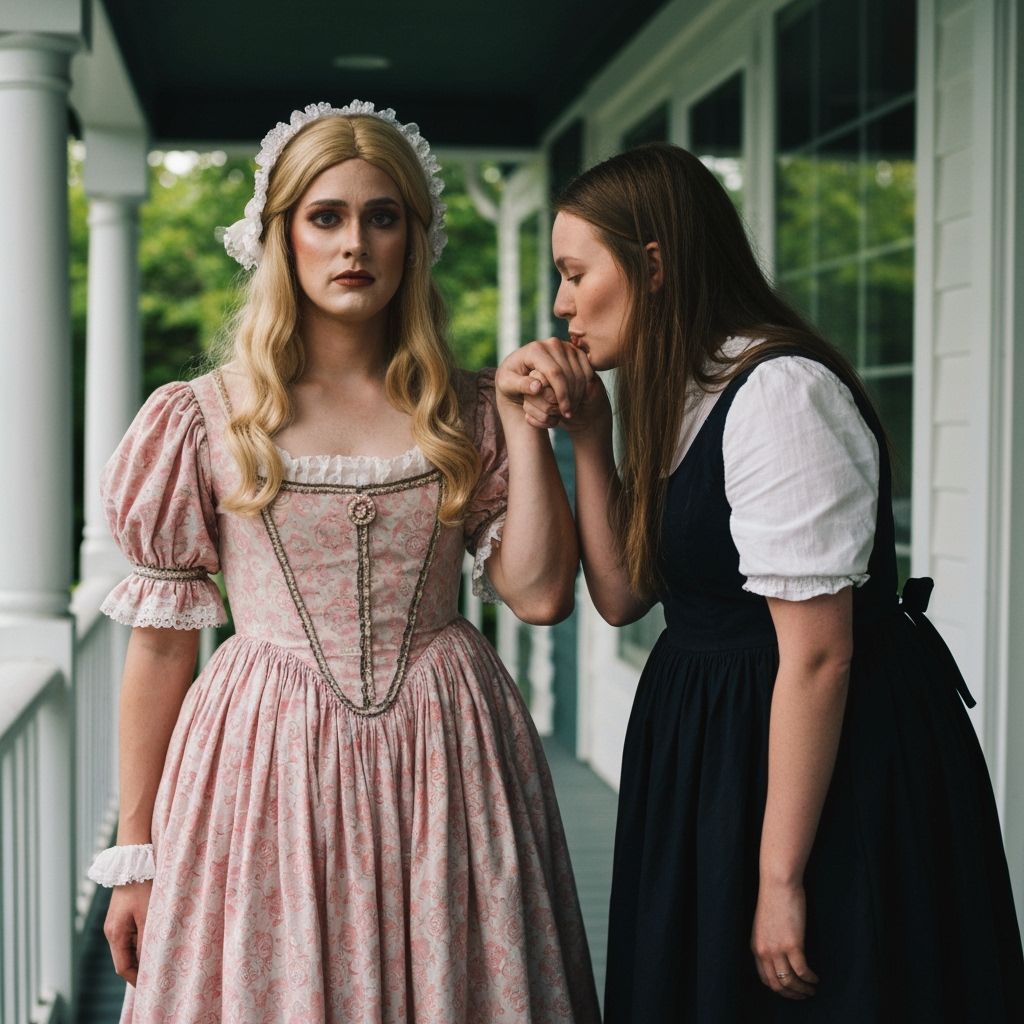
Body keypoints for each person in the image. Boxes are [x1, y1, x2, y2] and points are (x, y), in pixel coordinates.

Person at [87, 100, 600, 1024]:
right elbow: (162, 648)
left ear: (415, 237)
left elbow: (538, 593)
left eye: (383, 215)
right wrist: (137, 856)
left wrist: (526, 434)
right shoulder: (203, 418)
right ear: (280, 235)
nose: (353, 242)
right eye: (325, 216)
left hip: (450, 756)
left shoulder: (469, 408)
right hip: (261, 767)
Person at [510, 142, 1024, 1021]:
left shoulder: (780, 393)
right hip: (711, 745)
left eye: (574, 271)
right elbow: (626, 593)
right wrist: (588, 437)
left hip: (816, 756)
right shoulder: (677, 393)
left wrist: (781, 875)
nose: (560, 304)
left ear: (654, 265)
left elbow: (819, 655)